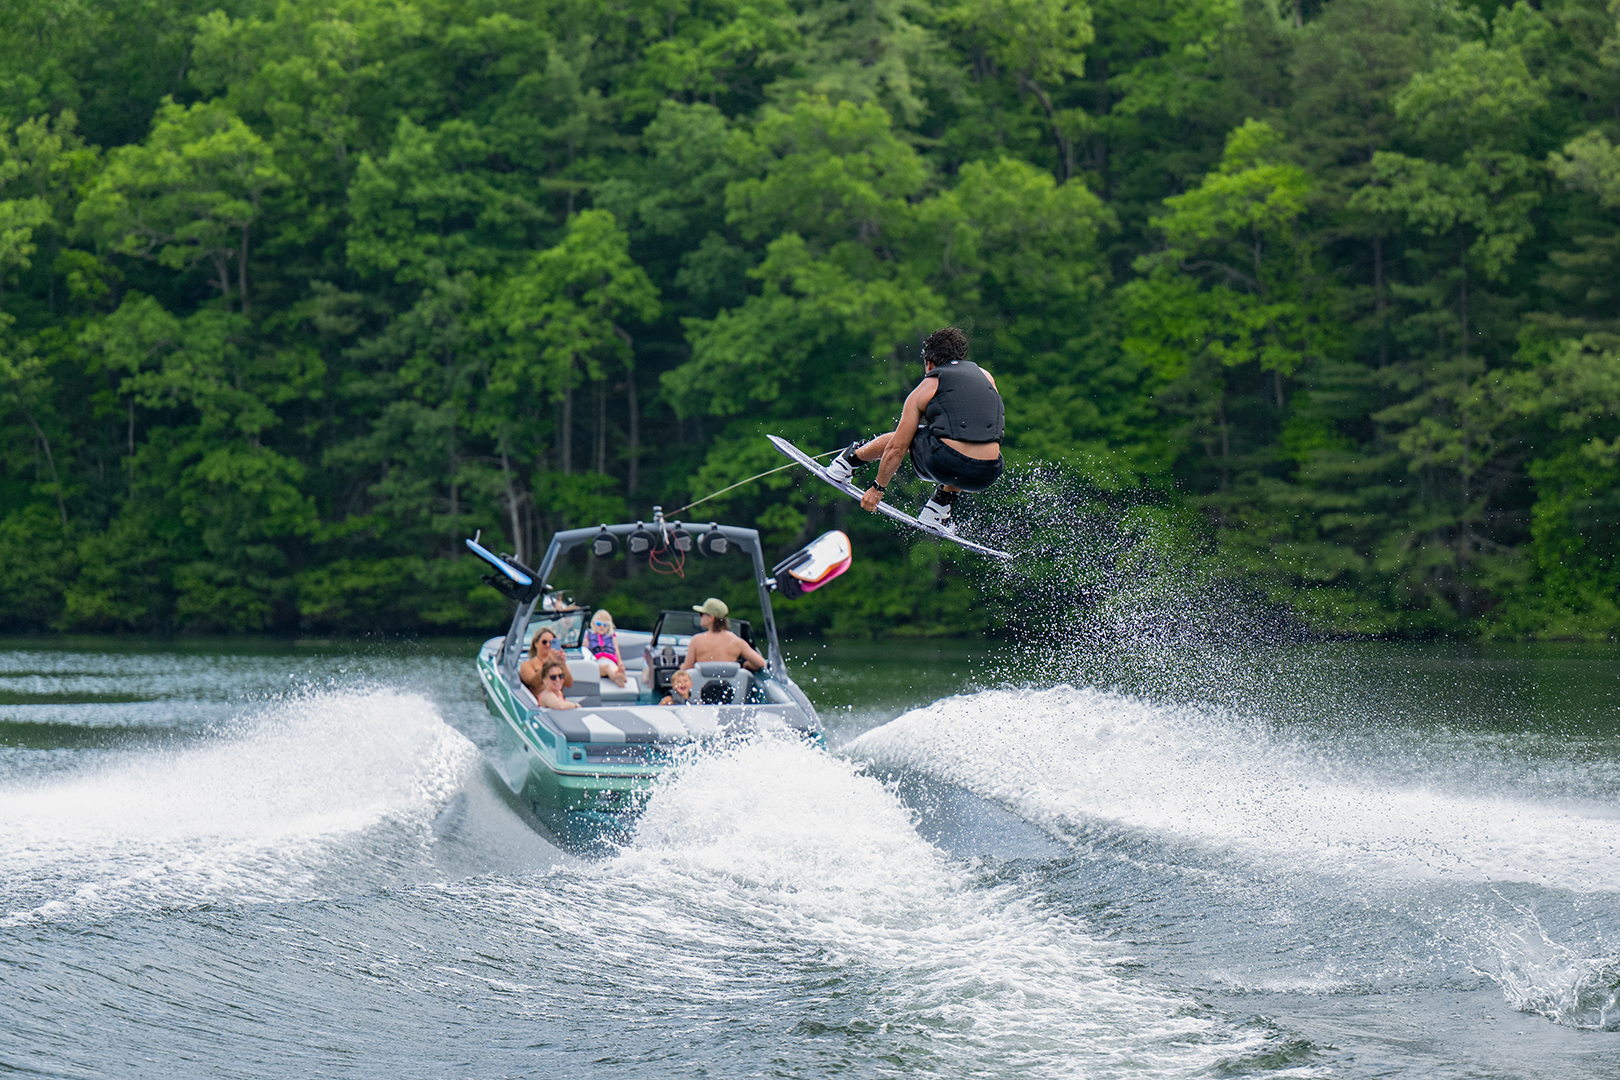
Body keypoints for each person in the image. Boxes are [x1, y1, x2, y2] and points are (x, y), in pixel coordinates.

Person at [825, 326, 1004, 532]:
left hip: (945, 463)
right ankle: (939, 506)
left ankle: (847, 462)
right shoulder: (986, 377)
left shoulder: (926, 387)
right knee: (966, 440)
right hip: (988, 472)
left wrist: (877, 488)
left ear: (929, 364)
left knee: (912, 435)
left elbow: (897, 448)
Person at [680, 597, 765, 673]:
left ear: (711, 618)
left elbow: (688, 670)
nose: (700, 617)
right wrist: (746, 666)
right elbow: (760, 663)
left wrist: (682, 667)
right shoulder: (736, 641)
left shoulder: (696, 641)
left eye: (701, 614)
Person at [520, 628, 572, 698]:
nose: (548, 645)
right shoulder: (527, 665)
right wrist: (548, 662)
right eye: (544, 642)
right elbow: (534, 683)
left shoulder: (558, 663)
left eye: (551, 642)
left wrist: (563, 664)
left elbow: (569, 684)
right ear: (536, 643)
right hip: (539, 703)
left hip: (558, 700)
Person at [585, 609, 629, 687]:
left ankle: (618, 676)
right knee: (608, 667)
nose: (602, 626)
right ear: (593, 624)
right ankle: (618, 676)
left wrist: (620, 663)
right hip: (596, 664)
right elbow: (583, 651)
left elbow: (617, 652)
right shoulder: (589, 637)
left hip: (610, 661)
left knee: (611, 666)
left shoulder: (612, 637)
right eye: (599, 624)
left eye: (605, 625)